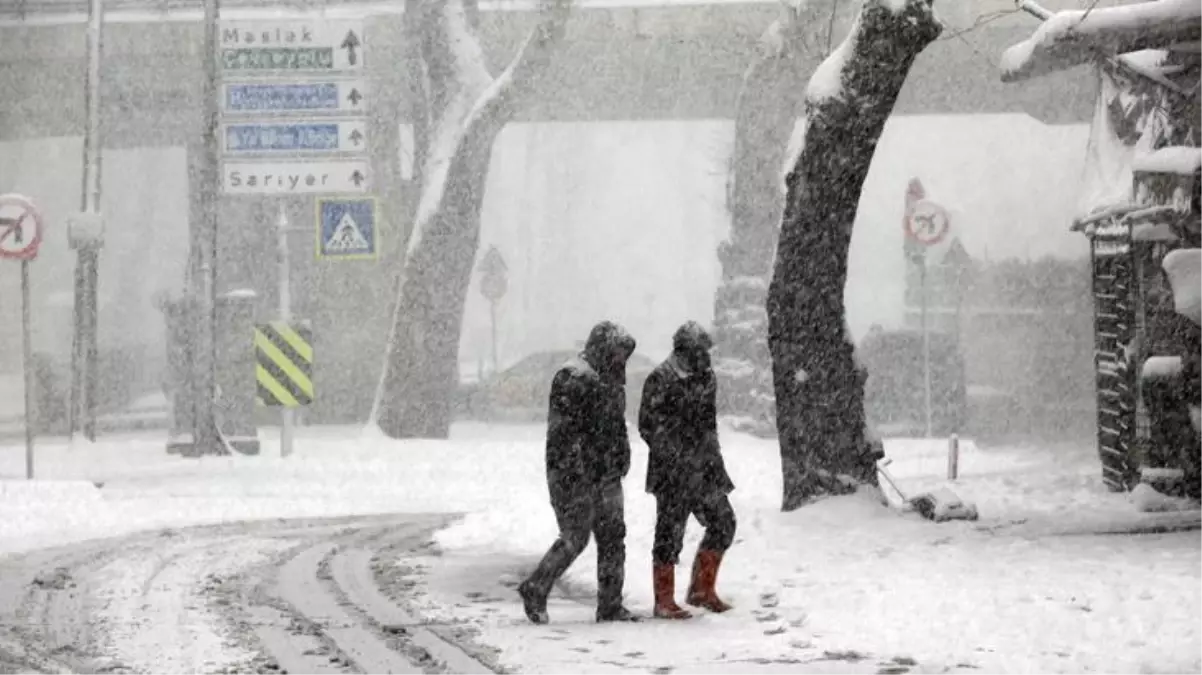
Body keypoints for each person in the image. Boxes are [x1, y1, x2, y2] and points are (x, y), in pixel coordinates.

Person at [517, 321, 641, 624]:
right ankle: (535, 586)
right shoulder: (573, 378)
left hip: (606, 473)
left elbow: (615, 427)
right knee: (576, 536)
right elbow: (564, 435)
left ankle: (610, 604)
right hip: (575, 475)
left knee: (613, 537)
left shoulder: (611, 380)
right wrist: (575, 472)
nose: (621, 360)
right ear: (603, 349)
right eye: (617, 353)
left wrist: (621, 456)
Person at [638, 321, 736, 620]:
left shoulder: (706, 377)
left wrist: (712, 461)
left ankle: (701, 590)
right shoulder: (661, 379)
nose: (706, 356)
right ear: (684, 350)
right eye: (700, 350)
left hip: (705, 468)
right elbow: (649, 427)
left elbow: (709, 423)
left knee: (724, 522)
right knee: (669, 533)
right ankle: (663, 600)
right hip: (672, 473)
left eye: (707, 350)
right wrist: (678, 457)